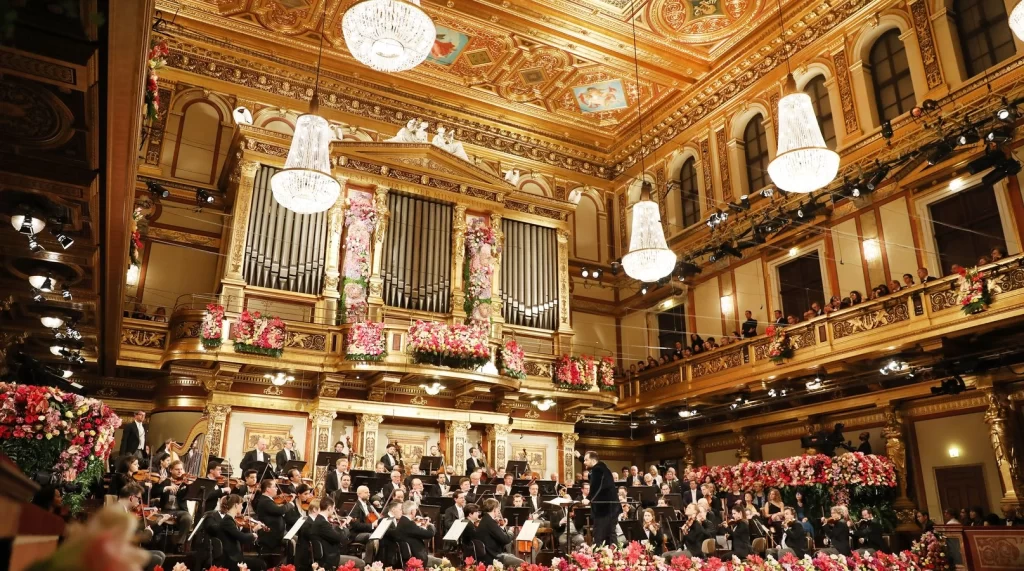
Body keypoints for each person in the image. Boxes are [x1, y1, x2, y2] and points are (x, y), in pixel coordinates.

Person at [116, 482, 165, 571]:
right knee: (156, 558)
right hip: (119, 554)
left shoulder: (122, 509)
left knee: (160, 555)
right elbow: (129, 536)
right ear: (131, 498)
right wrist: (147, 533)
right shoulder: (119, 512)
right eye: (139, 499)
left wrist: (156, 521)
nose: (139, 502)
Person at [308, 497, 365, 569]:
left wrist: (339, 528)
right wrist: (344, 527)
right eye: (333, 508)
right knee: (361, 563)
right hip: (329, 559)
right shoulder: (322, 523)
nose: (334, 511)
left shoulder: (320, 520)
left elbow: (333, 536)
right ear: (329, 508)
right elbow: (340, 538)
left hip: (329, 555)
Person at [217, 494, 267, 571]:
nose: (242, 507)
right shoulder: (228, 520)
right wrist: (253, 534)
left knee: (260, 563)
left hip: (235, 557)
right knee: (260, 564)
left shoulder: (230, 519)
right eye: (241, 505)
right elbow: (242, 537)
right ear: (236, 505)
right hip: (231, 559)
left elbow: (237, 534)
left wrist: (253, 530)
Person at [582, 450, 620, 547]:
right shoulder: (602, 467)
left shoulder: (597, 470)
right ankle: (615, 558)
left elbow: (596, 486)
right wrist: (579, 457)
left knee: (599, 536)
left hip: (604, 509)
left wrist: (589, 498)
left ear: (593, 460)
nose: (584, 462)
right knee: (611, 535)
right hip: (612, 508)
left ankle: (597, 559)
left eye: (586, 460)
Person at [477, 497, 526, 567]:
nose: (499, 511)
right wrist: (510, 531)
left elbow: (498, 535)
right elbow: (506, 539)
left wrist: (501, 528)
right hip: (492, 556)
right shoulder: (490, 522)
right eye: (498, 508)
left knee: (512, 556)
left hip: (489, 553)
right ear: (494, 509)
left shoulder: (485, 519)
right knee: (522, 563)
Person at [394, 500, 442, 568]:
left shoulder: (402, 521)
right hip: (417, 559)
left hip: (410, 557)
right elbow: (429, 534)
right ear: (412, 511)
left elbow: (414, 531)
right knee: (444, 563)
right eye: (415, 510)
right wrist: (429, 525)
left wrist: (416, 523)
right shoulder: (409, 524)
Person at [156, 460, 194, 544]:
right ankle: (157, 543)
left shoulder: (185, 483)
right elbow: (155, 491)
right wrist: (166, 488)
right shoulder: (165, 481)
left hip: (180, 511)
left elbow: (190, 496)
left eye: (181, 469)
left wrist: (189, 486)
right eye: (177, 469)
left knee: (187, 518)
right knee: (156, 519)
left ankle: (180, 543)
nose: (180, 471)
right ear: (171, 470)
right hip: (165, 510)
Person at [254, 478, 293, 550]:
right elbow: (279, 510)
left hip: (276, 534)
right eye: (274, 486)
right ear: (268, 489)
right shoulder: (265, 501)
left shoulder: (267, 500)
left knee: (294, 541)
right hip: (271, 537)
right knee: (292, 543)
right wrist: (290, 504)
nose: (276, 489)